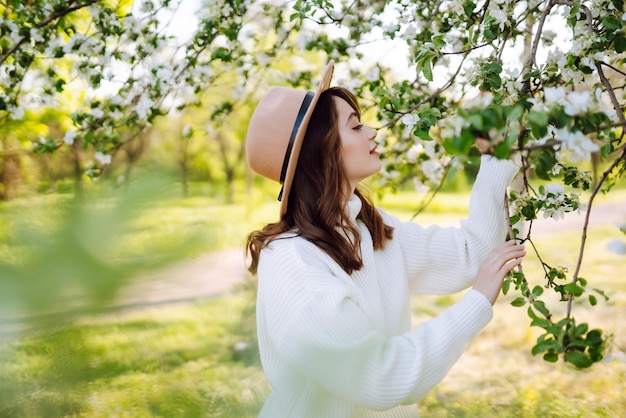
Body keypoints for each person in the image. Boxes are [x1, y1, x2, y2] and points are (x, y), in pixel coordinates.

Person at [245, 60, 525, 418]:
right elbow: (380, 375)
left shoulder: (367, 229)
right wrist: (478, 302)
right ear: (322, 151)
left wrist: (495, 157)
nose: (373, 132)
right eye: (356, 126)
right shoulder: (294, 264)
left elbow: (472, 255)